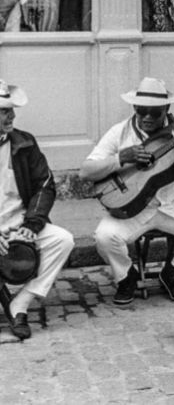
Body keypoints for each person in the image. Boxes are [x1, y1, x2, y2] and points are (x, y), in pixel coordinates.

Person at [80, 77, 174, 305]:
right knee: (104, 237)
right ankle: (126, 278)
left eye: (154, 112)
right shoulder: (120, 132)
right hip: (134, 209)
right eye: (141, 110)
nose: (147, 117)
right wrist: (121, 158)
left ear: (167, 109)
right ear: (134, 108)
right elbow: (86, 172)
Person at [0, 80, 74, 339]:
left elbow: (45, 186)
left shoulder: (25, 143)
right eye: (4, 111)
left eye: (11, 109)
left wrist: (30, 227)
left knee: (62, 240)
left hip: (19, 224)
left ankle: (19, 304)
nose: (12, 115)